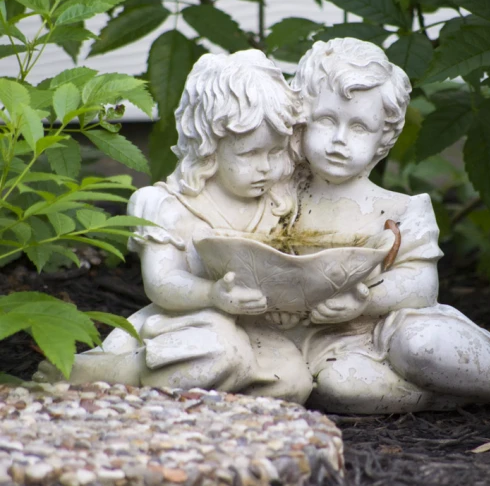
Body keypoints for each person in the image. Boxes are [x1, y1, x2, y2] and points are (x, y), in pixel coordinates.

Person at [280, 38, 490, 417]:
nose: (340, 140)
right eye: (328, 120)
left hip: (387, 327)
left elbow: (421, 286)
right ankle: (451, 396)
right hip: (322, 345)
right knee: (339, 387)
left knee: (424, 346)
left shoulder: (401, 210)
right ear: (302, 117)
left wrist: (362, 300)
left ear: (384, 138)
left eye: (359, 127)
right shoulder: (277, 201)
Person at [36, 50, 313, 403]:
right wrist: (213, 296)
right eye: (248, 154)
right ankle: (122, 371)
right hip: (189, 323)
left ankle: (212, 402)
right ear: (208, 145)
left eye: (275, 153)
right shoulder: (171, 206)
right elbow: (161, 283)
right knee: (222, 352)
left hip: (257, 330)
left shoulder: (279, 204)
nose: (265, 168)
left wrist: (286, 304)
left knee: (293, 383)